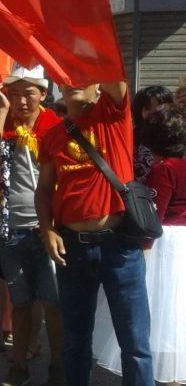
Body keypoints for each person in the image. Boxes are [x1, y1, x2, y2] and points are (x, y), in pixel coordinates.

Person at [36, 80, 153, 386]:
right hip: (71, 248)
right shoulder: (51, 136)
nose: (74, 82)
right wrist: (47, 230)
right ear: (58, 88)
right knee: (74, 344)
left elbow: (114, 73)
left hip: (119, 247)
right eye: (67, 77)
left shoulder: (113, 117)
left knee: (135, 345)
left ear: (99, 88)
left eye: (83, 77)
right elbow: (44, 189)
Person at [0, 66, 64, 385]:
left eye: (28, 93)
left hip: (48, 228)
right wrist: (0, 111)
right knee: (22, 300)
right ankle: (18, 364)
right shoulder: (5, 125)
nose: (21, 101)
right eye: (14, 93)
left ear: (43, 95)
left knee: (53, 302)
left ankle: (58, 366)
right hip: (11, 227)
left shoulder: (56, 128)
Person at [95, 103, 186, 384]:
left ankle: (165, 374)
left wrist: (141, 251)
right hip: (182, 238)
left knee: (157, 312)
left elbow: (153, 217)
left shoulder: (164, 168)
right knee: (176, 312)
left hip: (166, 243)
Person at [131, 85, 173, 181]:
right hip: (138, 193)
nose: (155, 112)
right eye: (147, 109)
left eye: (160, 107)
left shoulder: (178, 137)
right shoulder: (131, 138)